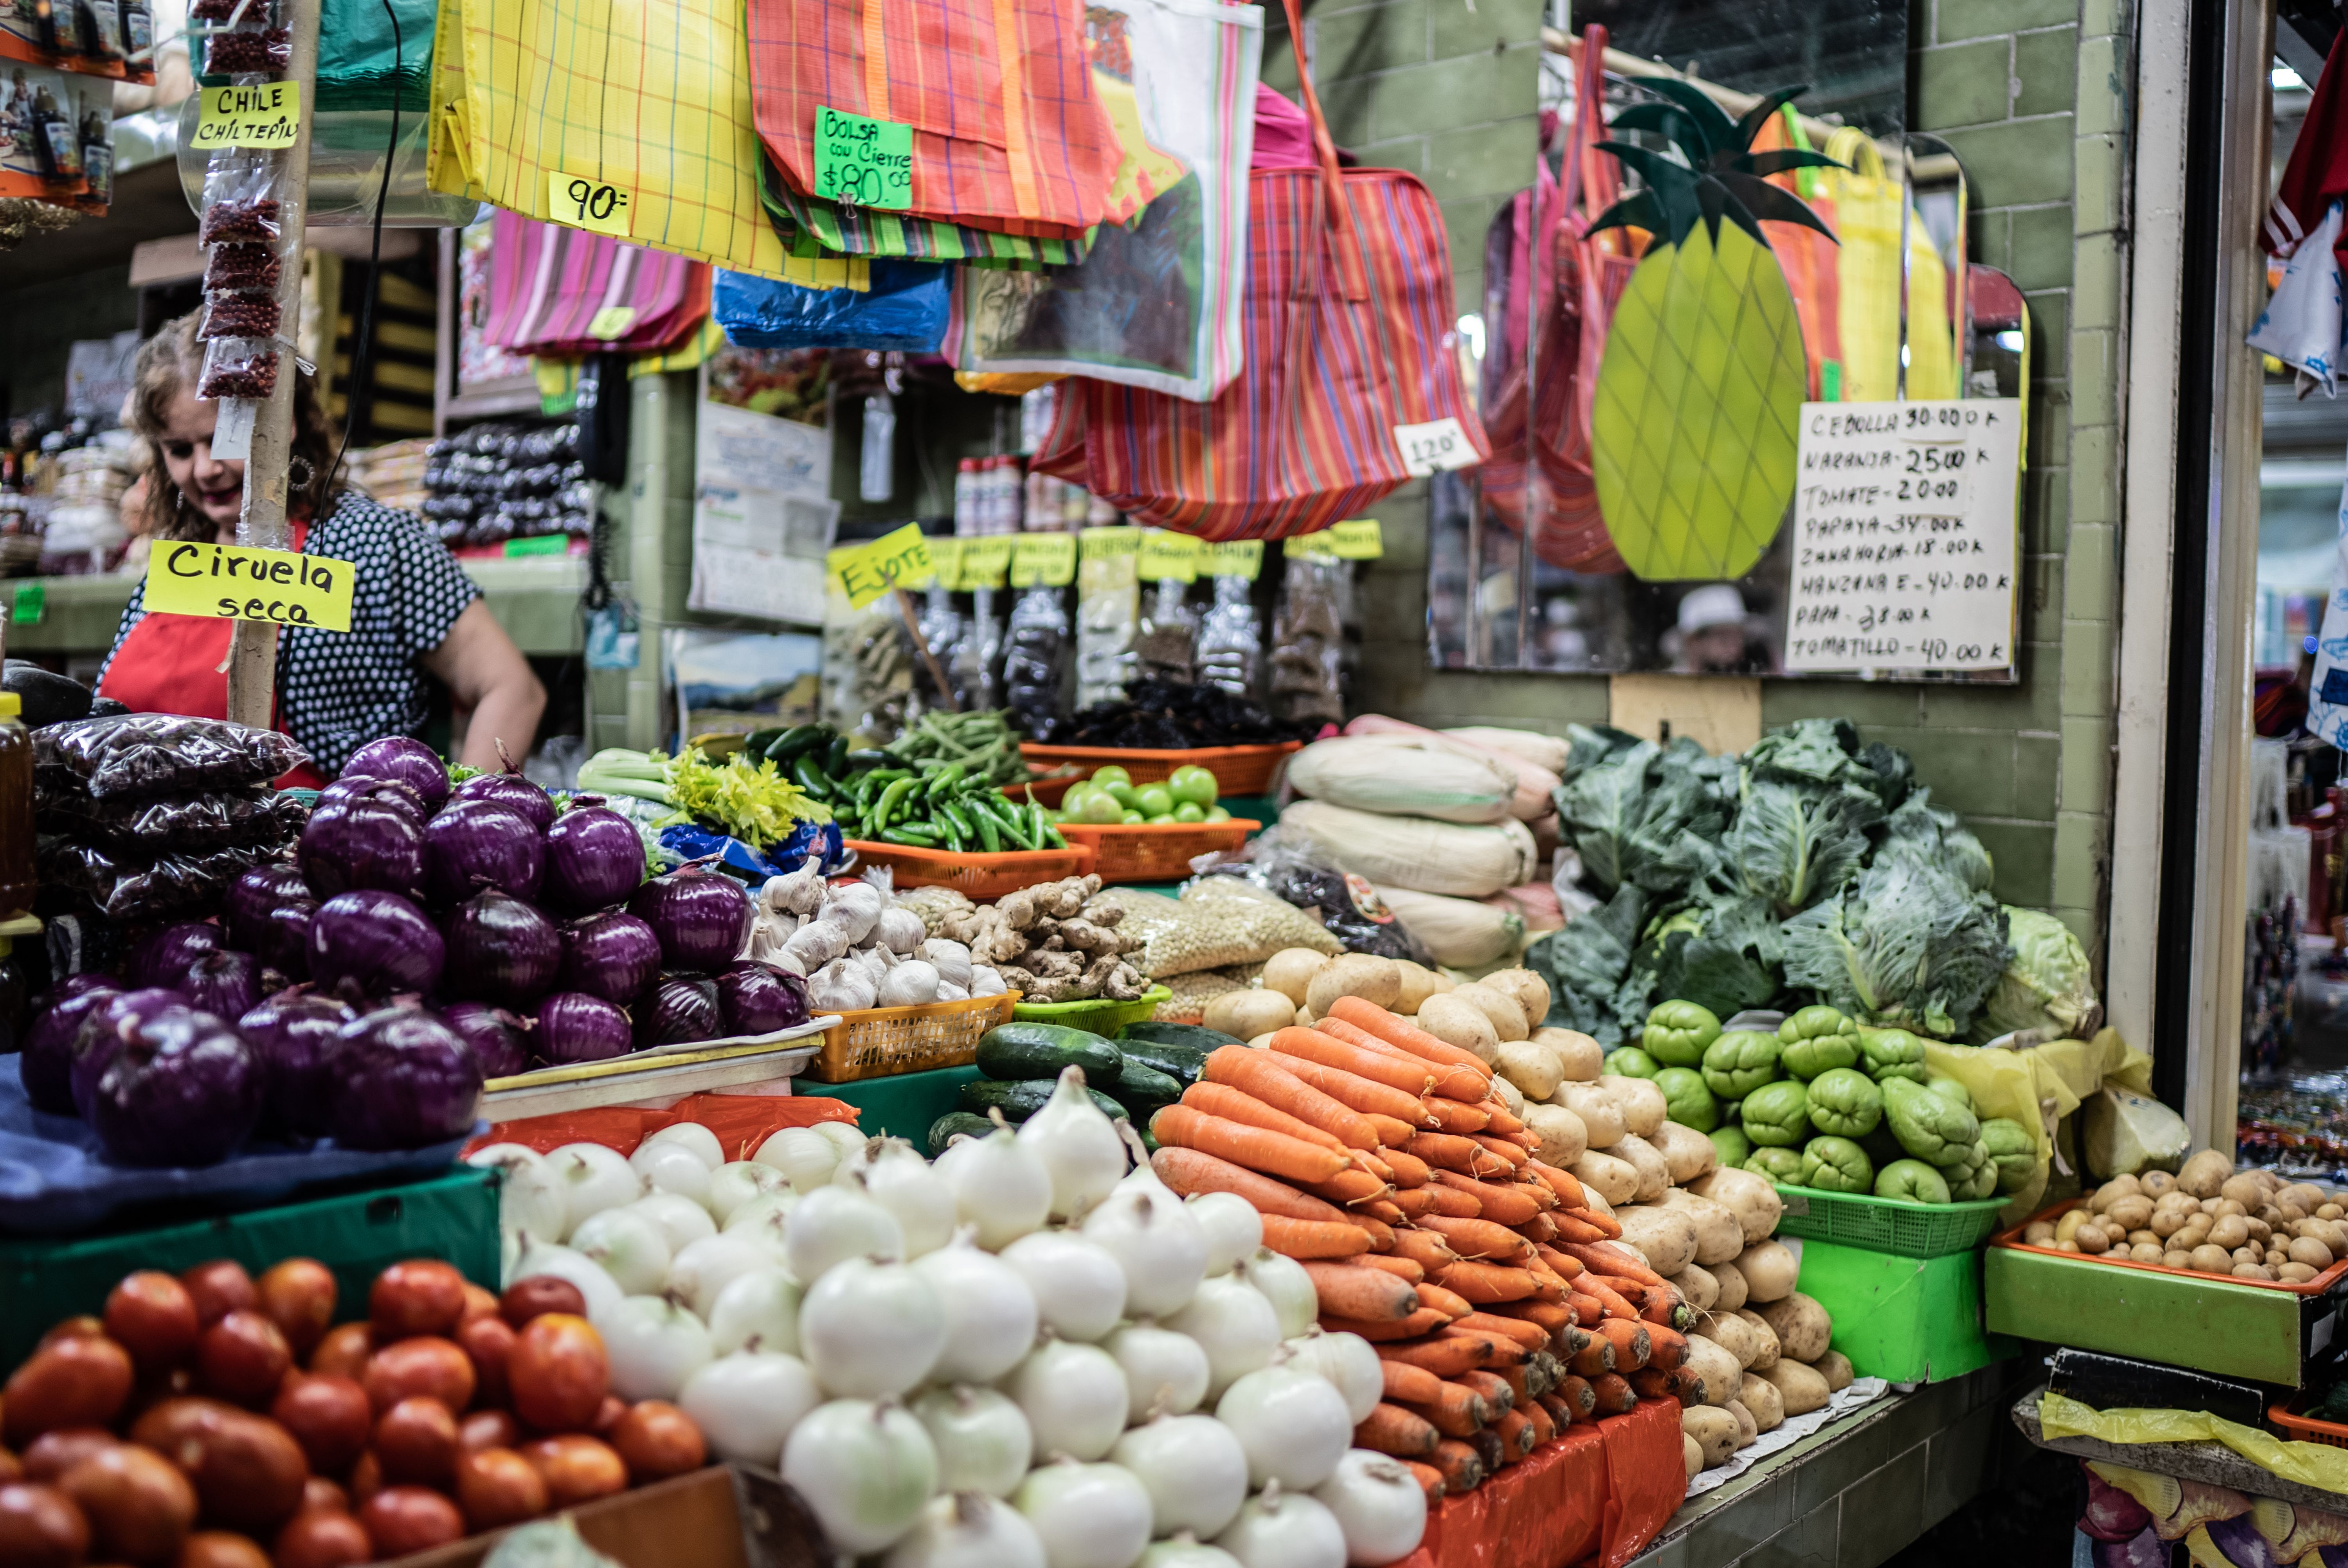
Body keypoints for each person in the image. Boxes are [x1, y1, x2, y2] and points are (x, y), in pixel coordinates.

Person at [96, 314, 545, 781]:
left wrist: (464, 819)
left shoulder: (375, 544)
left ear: (283, 419)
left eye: (220, 439)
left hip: (329, 846)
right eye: (180, 450)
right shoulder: (176, 566)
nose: (205, 469)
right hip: (160, 846)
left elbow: (512, 688)